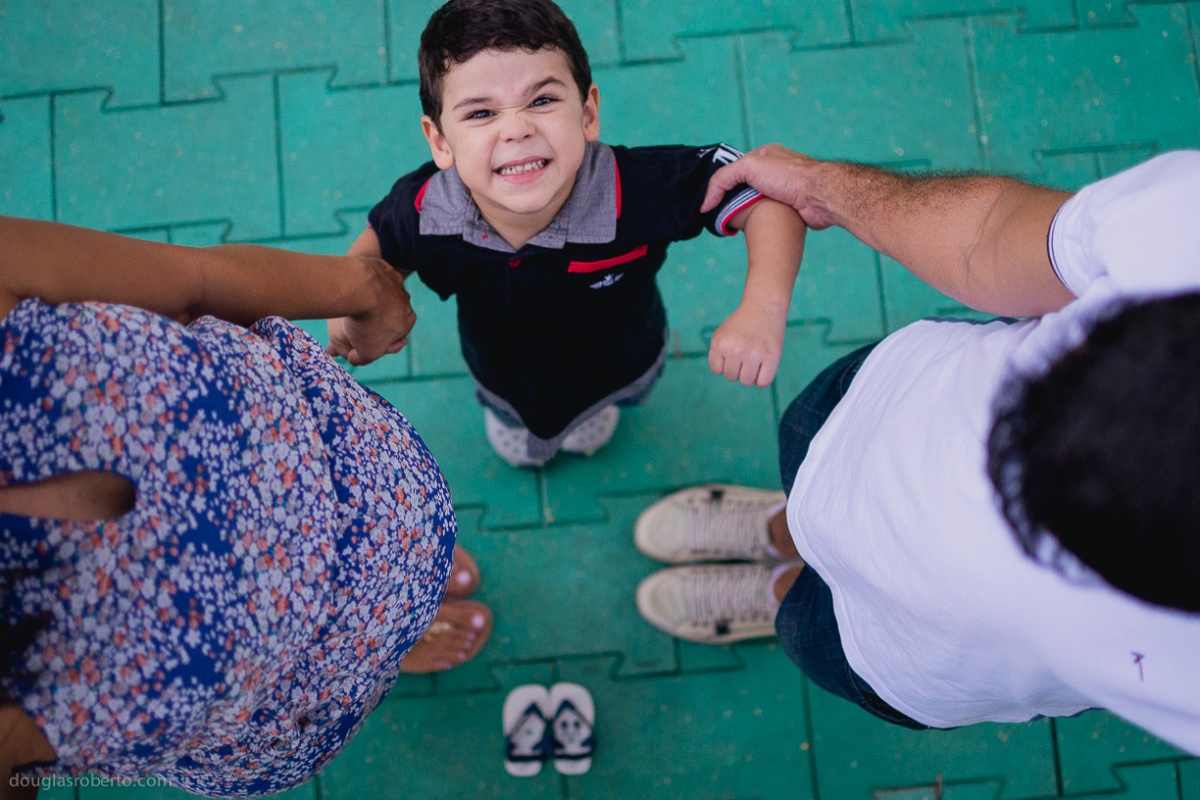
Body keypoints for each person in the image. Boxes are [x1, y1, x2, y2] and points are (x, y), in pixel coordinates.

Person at [633, 146, 1200, 754]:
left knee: (802, 628)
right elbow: (987, 236)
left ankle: (778, 589)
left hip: (905, 660)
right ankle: (784, 529)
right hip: (866, 420)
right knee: (804, 468)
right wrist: (818, 186)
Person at [0, 216, 493, 798]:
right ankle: (391, 648)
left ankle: (410, 595)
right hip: (303, 680)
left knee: (407, 568)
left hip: (372, 477)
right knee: (356, 664)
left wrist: (362, 287)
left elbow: (198, 279)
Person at [326, 0, 807, 468]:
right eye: (480, 113)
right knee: (512, 414)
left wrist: (762, 308)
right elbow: (377, 247)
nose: (516, 129)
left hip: (621, 361)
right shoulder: (426, 209)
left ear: (588, 113)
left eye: (542, 100)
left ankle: (586, 419)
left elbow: (766, 193)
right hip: (501, 371)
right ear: (440, 141)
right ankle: (520, 424)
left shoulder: (637, 188)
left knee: (599, 412)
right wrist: (351, 310)